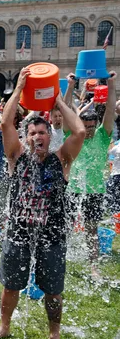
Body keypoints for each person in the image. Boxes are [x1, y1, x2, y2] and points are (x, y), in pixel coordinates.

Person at [0, 68, 86, 339]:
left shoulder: (62, 159)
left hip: (52, 235)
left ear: (48, 137)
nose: (38, 136)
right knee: (11, 285)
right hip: (18, 232)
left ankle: (54, 335)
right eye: (33, 133)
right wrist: (18, 88)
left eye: (43, 132)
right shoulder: (16, 157)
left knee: (53, 292)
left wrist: (56, 100)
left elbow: (79, 131)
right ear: (26, 137)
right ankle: (4, 327)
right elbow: (5, 123)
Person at [65, 71, 116, 277]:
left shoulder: (103, 136)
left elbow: (110, 110)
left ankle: (93, 266)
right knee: (66, 227)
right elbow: (66, 107)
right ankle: (62, 261)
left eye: (91, 127)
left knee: (91, 230)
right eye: (85, 127)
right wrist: (70, 86)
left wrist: (111, 84)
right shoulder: (75, 136)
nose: (88, 131)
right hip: (73, 188)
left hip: (94, 190)